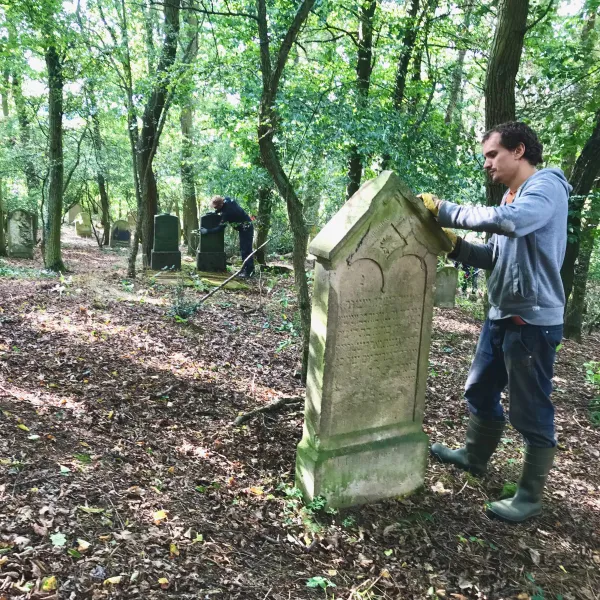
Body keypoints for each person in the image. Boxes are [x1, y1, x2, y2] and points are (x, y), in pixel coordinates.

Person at [420, 121, 571, 523]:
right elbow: (494, 257)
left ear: (518, 151)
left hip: (532, 322)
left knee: (529, 408)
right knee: (479, 388)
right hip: (501, 314)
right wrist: (457, 247)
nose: (487, 164)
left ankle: (529, 497)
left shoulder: (546, 189)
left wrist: (446, 211)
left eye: (492, 155)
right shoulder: (512, 196)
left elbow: (510, 222)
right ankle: (473, 456)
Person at [200, 195, 254, 277]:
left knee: (246, 249)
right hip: (244, 227)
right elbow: (222, 208)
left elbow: (220, 228)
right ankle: (244, 269)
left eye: (215, 207)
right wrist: (214, 213)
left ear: (220, 205)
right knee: (243, 249)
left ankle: (249, 272)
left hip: (246, 228)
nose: (215, 209)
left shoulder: (228, 212)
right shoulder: (227, 199)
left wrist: (207, 231)